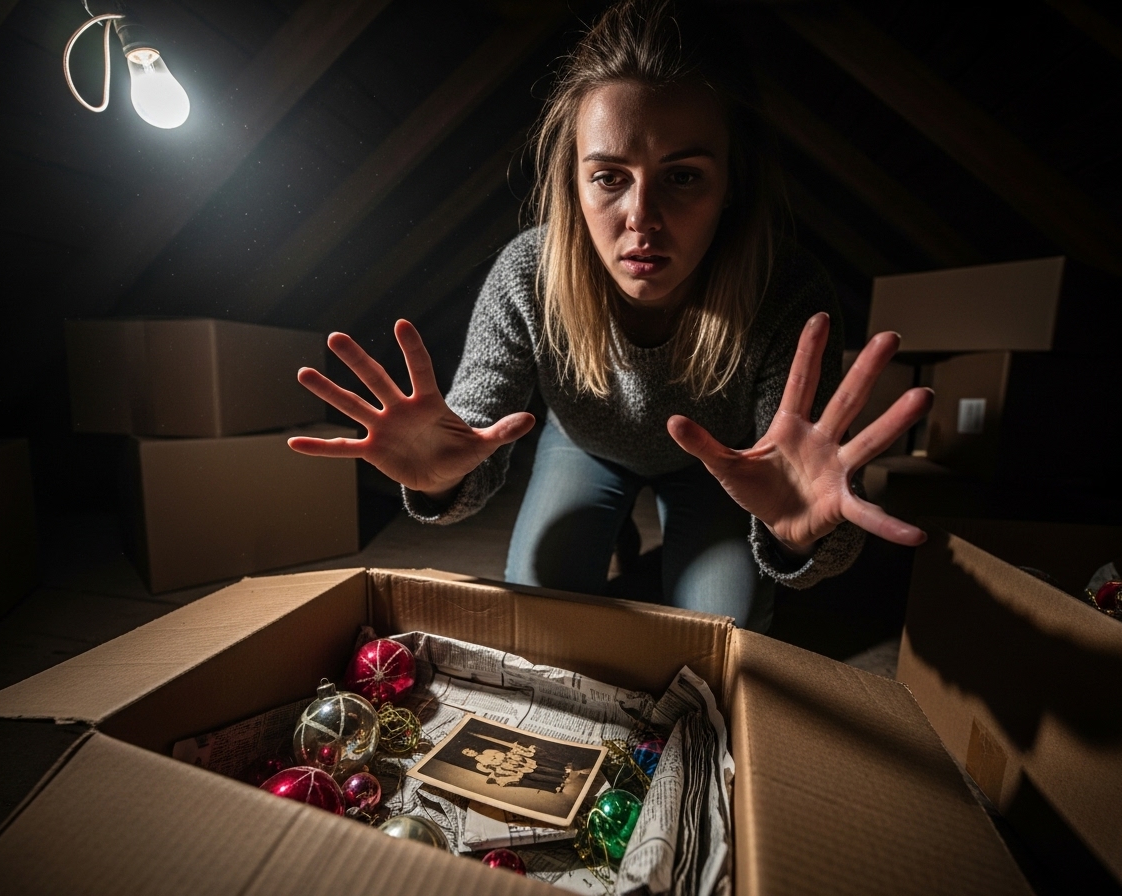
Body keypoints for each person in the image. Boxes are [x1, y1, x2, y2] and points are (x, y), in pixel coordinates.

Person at [288, 0, 932, 629]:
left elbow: (802, 497)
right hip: (584, 444)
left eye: (682, 178)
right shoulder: (528, 274)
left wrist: (798, 539)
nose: (640, 218)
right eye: (609, 177)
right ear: (574, 179)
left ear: (731, 183)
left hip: (727, 464)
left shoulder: (787, 290)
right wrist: (436, 482)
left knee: (725, 629)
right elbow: (470, 442)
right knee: (540, 618)